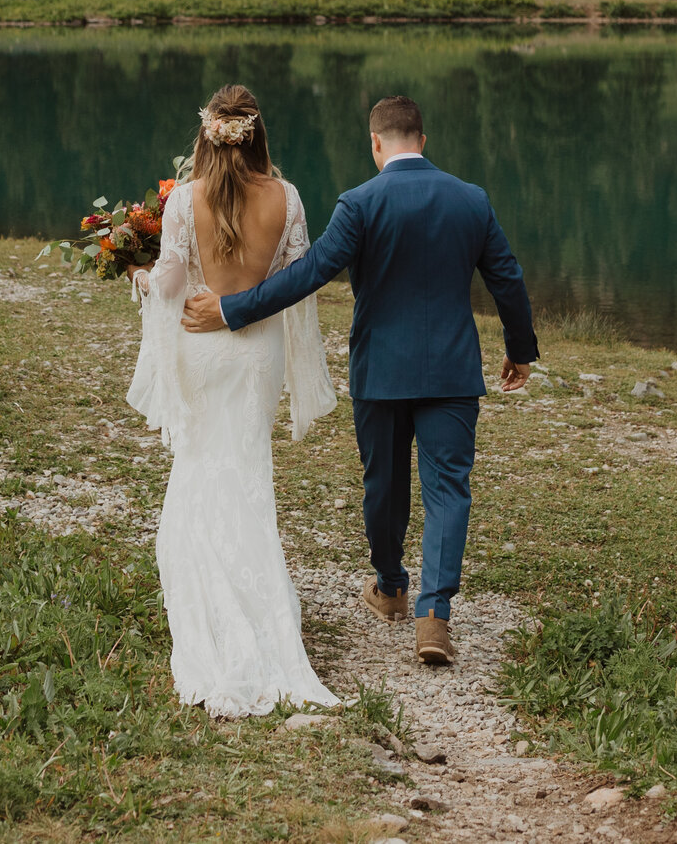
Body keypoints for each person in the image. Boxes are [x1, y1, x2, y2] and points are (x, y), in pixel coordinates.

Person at [184, 94, 534, 667]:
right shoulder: (471, 199)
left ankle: (391, 586)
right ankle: (435, 616)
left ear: (376, 144)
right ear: (422, 140)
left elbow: (310, 273)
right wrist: (519, 351)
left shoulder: (360, 203)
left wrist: (232, 309)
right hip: (451, 370)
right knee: (449, 489)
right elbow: (508, 279)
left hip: (380, 371)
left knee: (383, 483)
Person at [125, 84, 339, 716]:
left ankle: (216, 614)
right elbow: (296, 276)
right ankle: (262, 611)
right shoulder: (287, 197)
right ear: (257, 132)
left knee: (198, 465)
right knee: (247, 472)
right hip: (257, 352)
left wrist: (134, 275)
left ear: (207, 135)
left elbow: (168, 279)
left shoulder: (185, 201)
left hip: (199, 342)